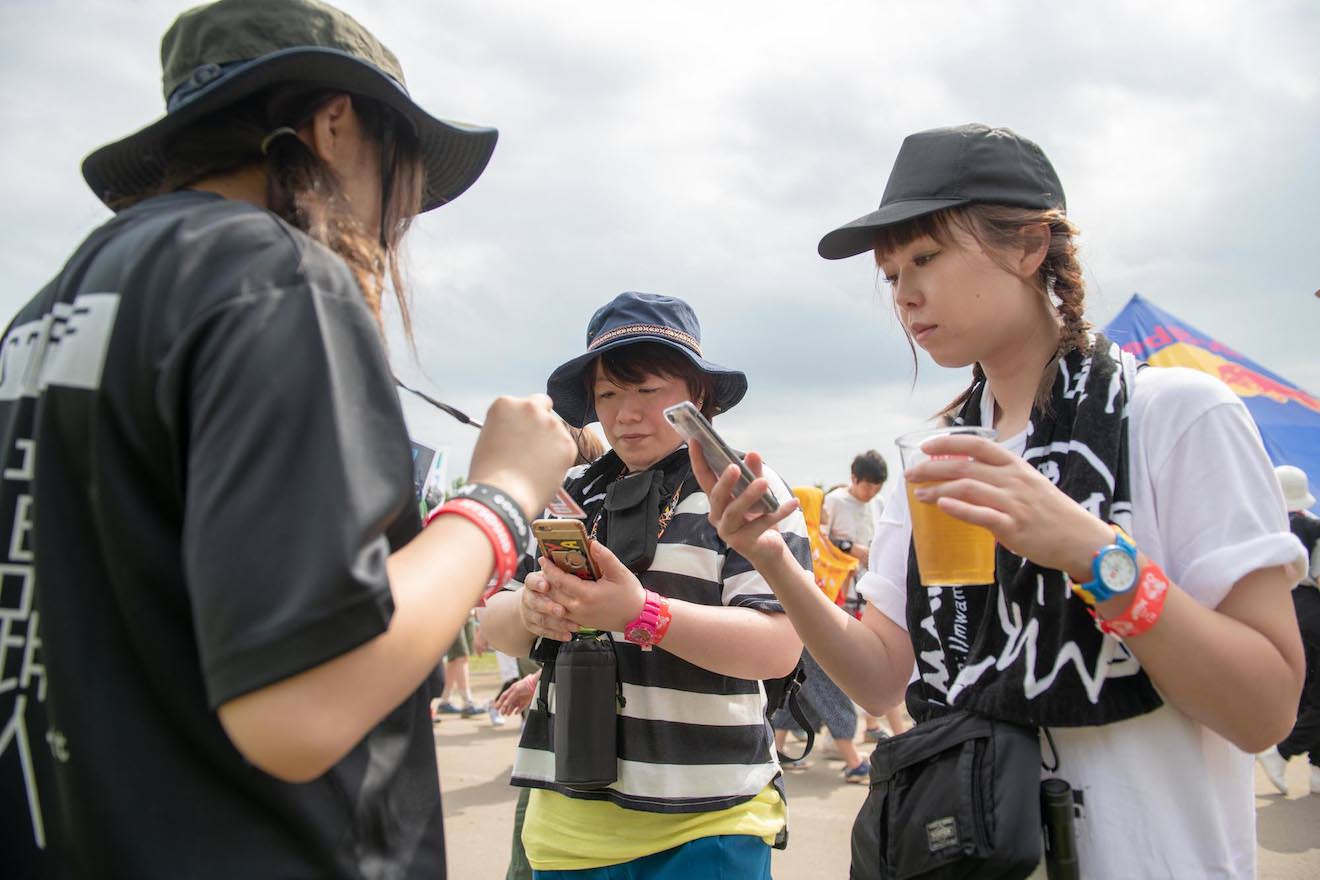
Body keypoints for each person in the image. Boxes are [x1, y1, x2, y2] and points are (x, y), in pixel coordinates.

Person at [0, 1, 574, 877]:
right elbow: (302, 704)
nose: (399, 215)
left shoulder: (52, 307)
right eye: (402, 174)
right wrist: (501, 497)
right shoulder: (273, 277)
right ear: (335, 124)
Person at [691, 124, 1306, 878]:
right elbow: (882, 678)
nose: (904, 294)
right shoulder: (935, 459)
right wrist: (770, 558)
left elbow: (1265, 710)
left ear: (1029, 246)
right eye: (891, 273)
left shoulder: (1175, 415)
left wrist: (1090, 552)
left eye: (926, 257)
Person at [479, 291, 811, 878]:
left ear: (697, 394)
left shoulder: (741, 488)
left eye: (648, 390)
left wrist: (641, 613)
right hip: (568, 825)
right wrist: (530, 612)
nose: (624, 414)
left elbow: (779, 647)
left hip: (710, 819)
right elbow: (494, 620)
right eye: (607, 394)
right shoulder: (572, 493)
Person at [821, 451, 910, 741]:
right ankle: (850, 732)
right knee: (851, 663)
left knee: (878, 658)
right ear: (854, 478)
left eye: (877, 486)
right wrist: (851, 549)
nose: (871, 492)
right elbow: (821, 538)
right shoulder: (835, 501)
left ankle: (877, 727)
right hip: (841, 589)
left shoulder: (880, 503)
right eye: (867, 485)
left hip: (869, 588)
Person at [1257, 465, 1320, 795]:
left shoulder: (1262, 524)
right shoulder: (1313, 526)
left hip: (1277, 606)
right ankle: (1281, 752)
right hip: (1311, 609)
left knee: (1310, 690)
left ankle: (1316, 768)